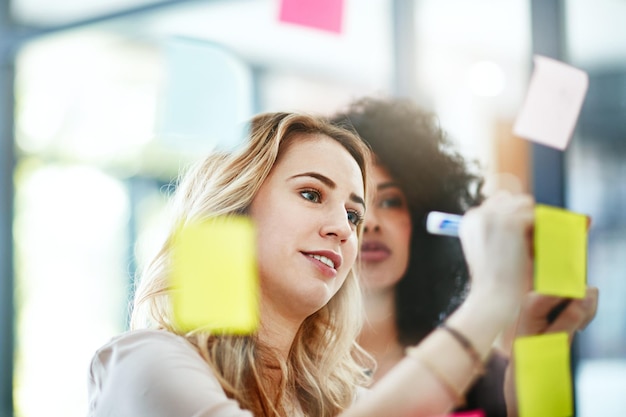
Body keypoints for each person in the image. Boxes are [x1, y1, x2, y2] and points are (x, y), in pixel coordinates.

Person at [88, 111, 539, 417]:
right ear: (234, 208)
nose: (344, 229)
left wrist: (539, 340)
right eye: (311, 194)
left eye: (352, 214)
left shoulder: (341, 401)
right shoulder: (146, 363)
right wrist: (488, 300)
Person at [329, 96, 599, 416]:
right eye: (352, 207)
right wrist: (493, 297)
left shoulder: (483, 373)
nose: (370, 222)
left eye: (390, 202)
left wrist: (542, 351)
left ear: (419, 218)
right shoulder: (284, 369)